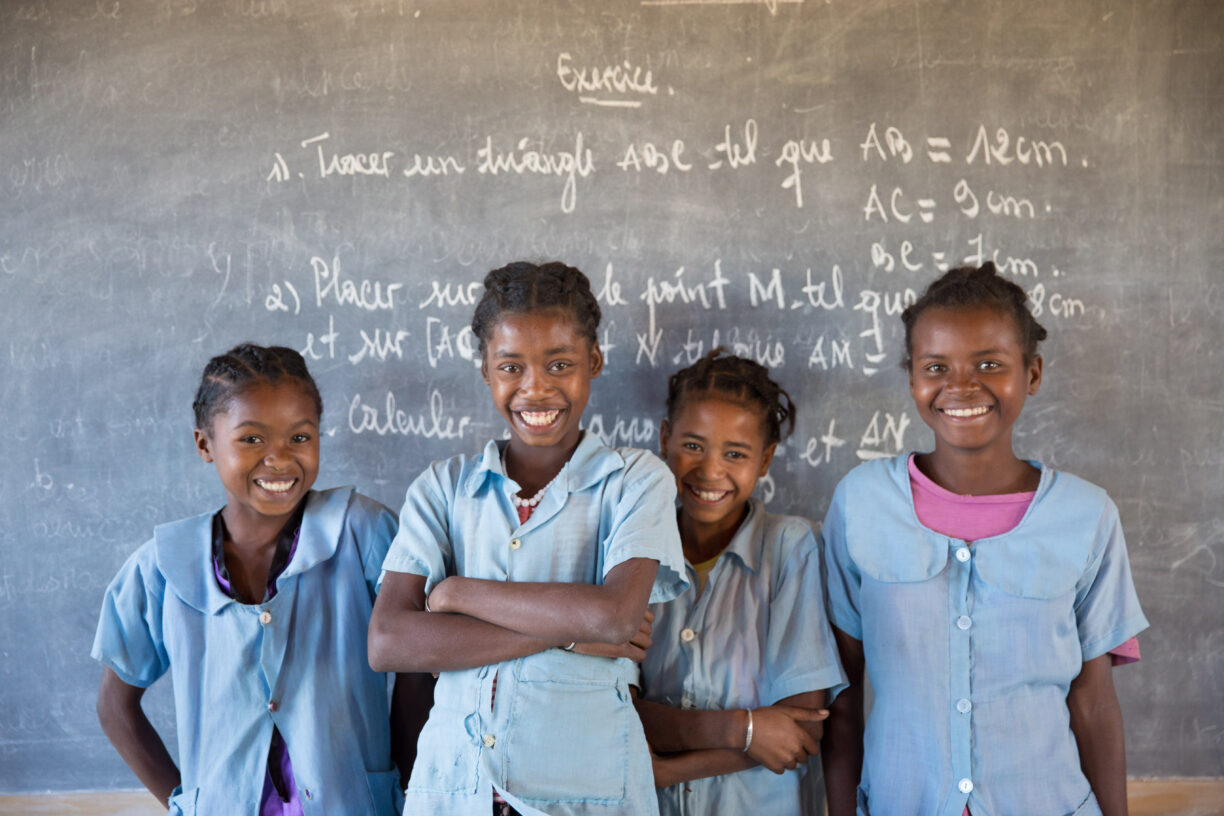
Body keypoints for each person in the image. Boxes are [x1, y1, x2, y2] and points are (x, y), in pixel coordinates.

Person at [821, 263, 1148, 816]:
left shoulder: (1086, 515)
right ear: (912, 379)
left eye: (990, 364)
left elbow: (1093, 704)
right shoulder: (860, 503)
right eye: (936, 367)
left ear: (1033, 373)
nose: (962, 386)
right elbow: (843, 695)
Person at [369, 261, 689, 816]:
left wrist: (456, 596)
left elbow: (614, 619)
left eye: (560, 364)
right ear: (487, 372)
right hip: (453, 791)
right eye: (511, 366)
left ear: (593, 361)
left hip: (584, 790)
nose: (535, 388)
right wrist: (572, 632)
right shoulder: (443, 488)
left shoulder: (636, 479)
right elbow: (390, 642)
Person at [93, 343, 408, 815]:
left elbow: (418, 670)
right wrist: (186, 803)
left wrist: (403, 787)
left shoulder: (363, 534)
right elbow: (115, 707)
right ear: (204, 444)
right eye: (252, 439)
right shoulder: (160, 567)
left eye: (300, 438)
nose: (279, 459)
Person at [635, 349, 846, 815]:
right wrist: (748, 730)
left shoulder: (791, 548)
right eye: (693, 445)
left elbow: (800, 732)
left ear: (766, 459)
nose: (710, 471)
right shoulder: (634, 552)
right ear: (665, 438)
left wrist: (669, 769)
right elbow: (617, 714)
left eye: (735, 454)